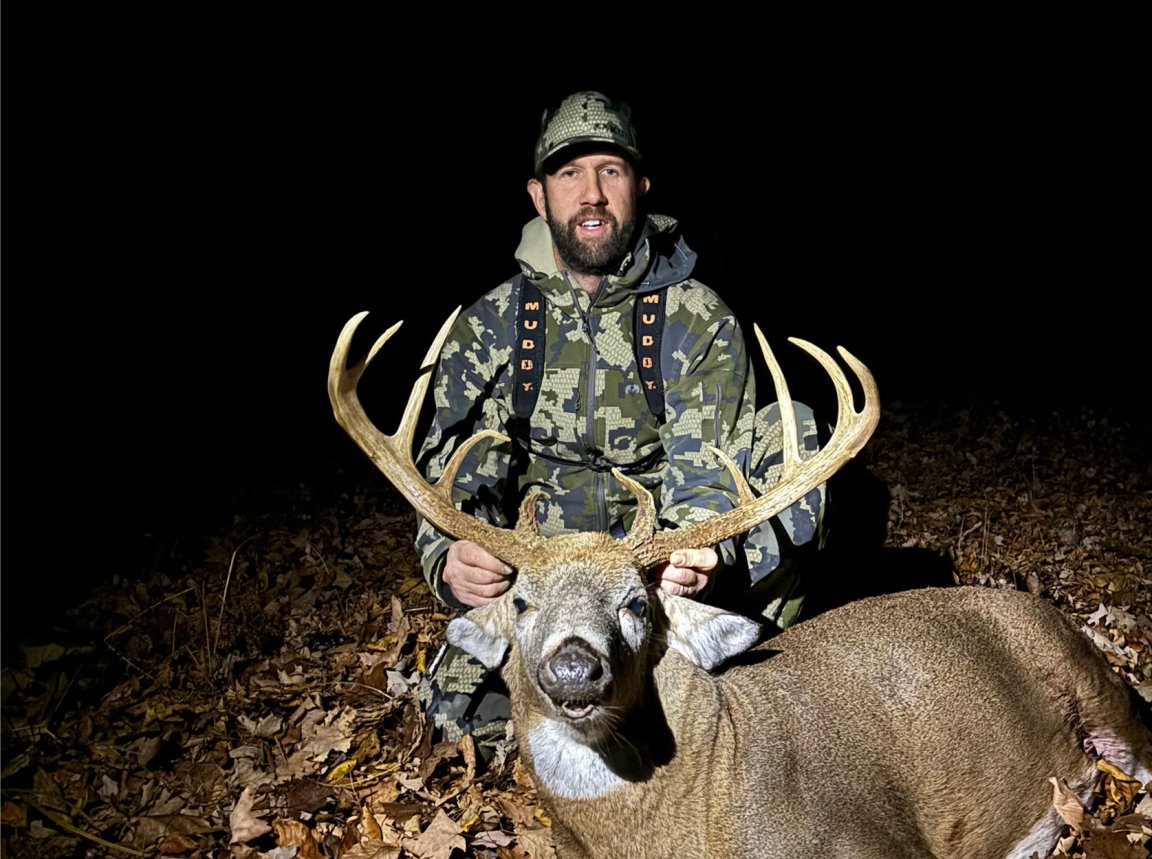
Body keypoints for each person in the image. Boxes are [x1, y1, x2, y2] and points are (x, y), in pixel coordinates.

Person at [414, 91, 825, 751]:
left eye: (610, 170)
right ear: (539, 195)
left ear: (640, 186)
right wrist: (450, 560)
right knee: (456, 712)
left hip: (650, 578)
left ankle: (745, 659)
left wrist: (699, 553)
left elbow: (708, 467)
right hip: (548, 582)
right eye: (569, 173)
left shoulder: (696, 318)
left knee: (793, 432)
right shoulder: (489, 326)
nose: (592, 193)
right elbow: (456, 478)